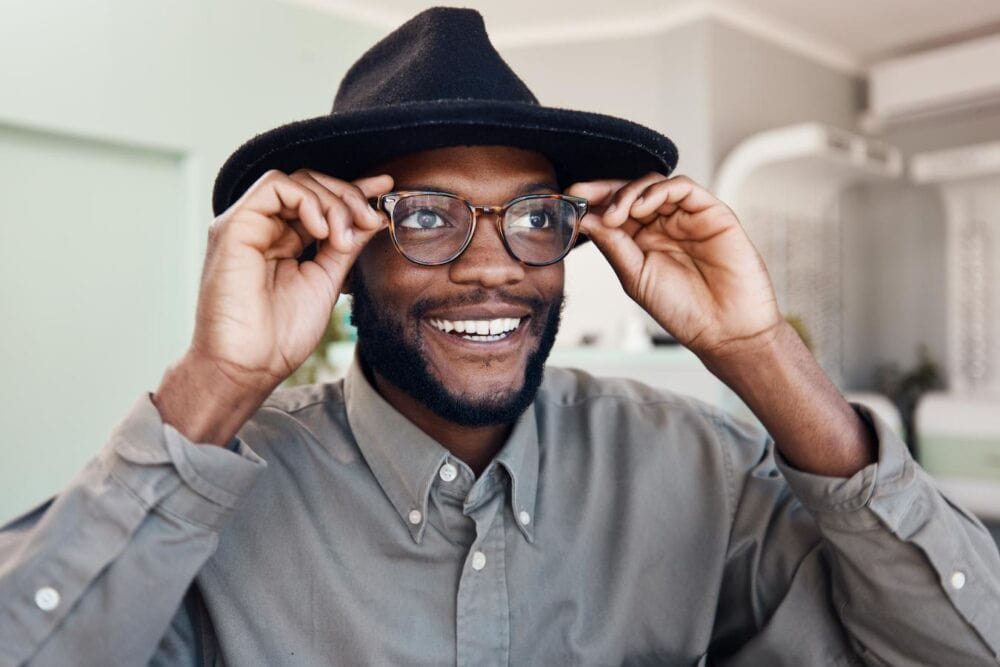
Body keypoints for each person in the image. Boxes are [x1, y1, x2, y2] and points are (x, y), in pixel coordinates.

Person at [1, 7, 998, 666]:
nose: (493, 266)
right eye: (427, 215)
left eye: (534, 217)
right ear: (343, 253)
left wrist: (758, 350)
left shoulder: (700, 468)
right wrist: (217, 379)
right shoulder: (203, 502)